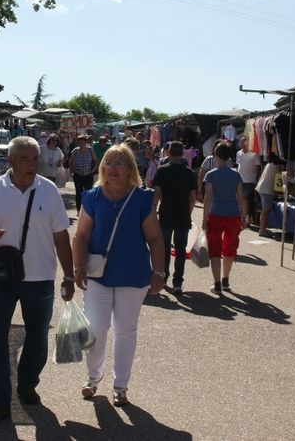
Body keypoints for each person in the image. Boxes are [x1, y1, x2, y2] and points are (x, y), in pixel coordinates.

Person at [0, 136, 75, 427]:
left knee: (37, 336)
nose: (31, 165)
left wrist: (69, 275)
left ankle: (27, 383)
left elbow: (61, 236)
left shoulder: (48, 190)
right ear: (10, 161)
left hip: (39, 278)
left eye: (34, 159)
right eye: (24, 159)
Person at [73, 144, 165, 406]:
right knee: (96, 329)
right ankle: (93, 377)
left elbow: (155, 237)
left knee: (125, 331)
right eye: (108, 163)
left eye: (119, 163)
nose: (112, 168)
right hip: (97, 276)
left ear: (129, 169)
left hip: (133, 276)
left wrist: (159, 271)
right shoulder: (92, 197)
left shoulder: (141, 198)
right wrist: (78, 267)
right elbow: (81, 235)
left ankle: (120, 386)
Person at [152, 141, 197, 294]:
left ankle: (164, 277)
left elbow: (157, 195)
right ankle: (178, 282)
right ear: (182, 154)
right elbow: (193, 198)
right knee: (180, 250)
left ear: (168, 153)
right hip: (183, 214)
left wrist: (153, 212)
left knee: (164, 248)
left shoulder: (161, 171)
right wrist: (189, 213)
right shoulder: (189, 173)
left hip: (166, 213)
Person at [202, 141, 244, 294]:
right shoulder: (236, 174)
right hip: (233, 215)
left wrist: (204, 219)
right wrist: (244, 216)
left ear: (215, 156)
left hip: (215, 214)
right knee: (230, 248)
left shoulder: (211, 175)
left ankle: (217, 283)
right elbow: (241, 197)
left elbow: (208, 198)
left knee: (215, 249)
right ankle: (226, 280)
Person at [68, 134, 97, 213]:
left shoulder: (90, 150)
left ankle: (88, 210)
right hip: (78, 175)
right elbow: (70, 162)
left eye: (83, 142)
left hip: (88, 175)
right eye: (79, 142)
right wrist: (72, 171)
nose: (81, 144)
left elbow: (95, 161)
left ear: (86, 142)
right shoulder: (75, 151)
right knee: (79, 193)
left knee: (88, 193)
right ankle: (79, 210)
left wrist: (93, 170)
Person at [236, 136, 261, 225]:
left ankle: (245, 217)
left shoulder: (254, 154)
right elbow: (238, 165)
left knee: (246, 199)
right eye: (242, 143)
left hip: (250, 181)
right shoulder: (238, 153)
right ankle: (240, 216)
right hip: (239, 180)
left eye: (245, 142)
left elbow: (258, 168)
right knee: (239, 198)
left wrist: (257, 180)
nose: (243, 144)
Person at [257, 155, 283, 237]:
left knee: (265, 210)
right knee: (265, 210)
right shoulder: (276, 165)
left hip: (264, 188)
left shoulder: (269, 164)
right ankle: (262, 230)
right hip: (266, 189)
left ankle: (263, 229)